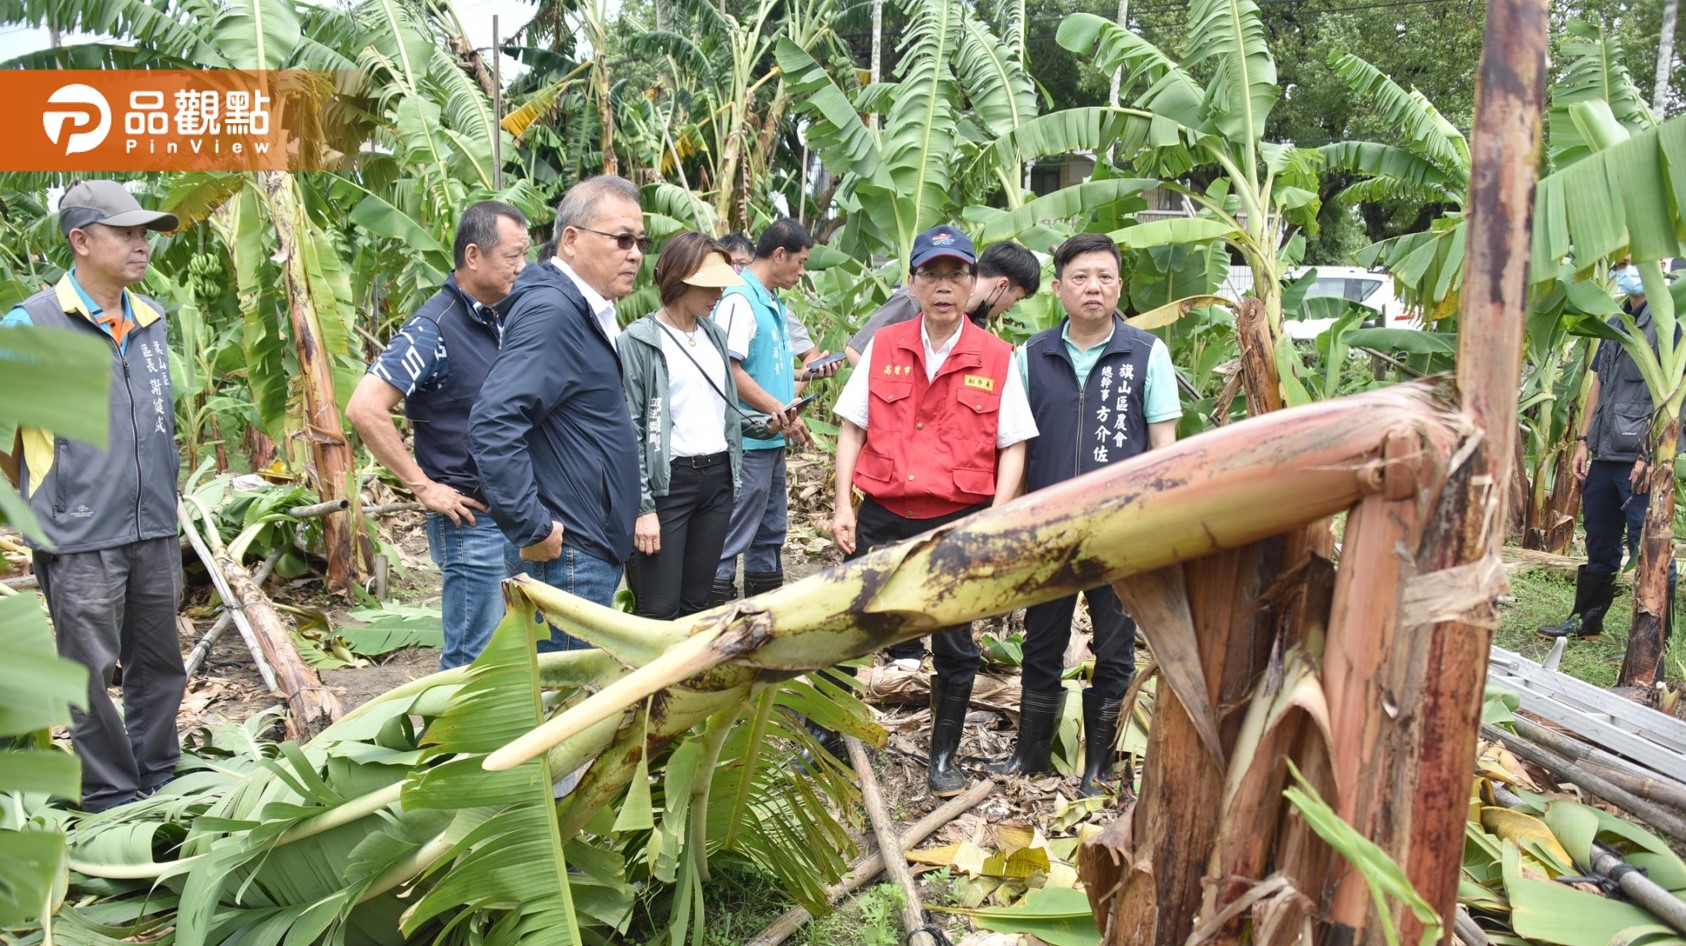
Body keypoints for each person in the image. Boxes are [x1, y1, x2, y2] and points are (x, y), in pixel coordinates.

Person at [830, 224, 1038, 796]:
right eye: (932, 274)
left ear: (972, 282)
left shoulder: (996, 356)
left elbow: (1013, 443)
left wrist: (994, 518)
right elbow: (852, 427)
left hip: (956, 517)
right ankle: (827, 742)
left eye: (955, 275)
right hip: (882, 512)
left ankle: (941, 756)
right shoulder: (885, 345)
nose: (944, 286)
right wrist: (841, 503)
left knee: (954, 640)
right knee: (849, 624)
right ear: (913, 282)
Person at [0, 181, 185, 811]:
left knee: (159, 663)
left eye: (144, 234)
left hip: (153, 524)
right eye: (126, 234)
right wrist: (47, 495)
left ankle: (159, 770)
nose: (141, 246)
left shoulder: (151, 319)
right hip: (79, 534)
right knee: (88, 674)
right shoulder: (33, 324)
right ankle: (109, 791)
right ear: (80, 240)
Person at [987, 231, 1181, 797]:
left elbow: (1165, 451)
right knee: (1041, 641)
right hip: (1047, 528)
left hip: (1119, 531)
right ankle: (1031, 757)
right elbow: (1015, 448)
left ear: (1120, 286)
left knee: (1115, 648)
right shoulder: (1030, 355)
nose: (1092, 287)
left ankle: (1101, 764)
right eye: (1080, 277)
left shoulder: (1148, 354)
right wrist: (1009, 521)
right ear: (1059, 288)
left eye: (1104, 277)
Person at [347, 201, 529, 669]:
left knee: (508, 657)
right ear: (473, 255)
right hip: (472, 522)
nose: (521, 267)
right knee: (472, 660)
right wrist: (423, 486)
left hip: (515, 514)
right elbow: (365, 408)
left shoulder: (504, 317)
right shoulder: (434, 328)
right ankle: (453, 744)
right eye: (512, 256)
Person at [470, 176, 646, 645]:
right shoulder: (555, 312)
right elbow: (494, 421)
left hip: (584, 546)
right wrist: (533, 527)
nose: (635, 253)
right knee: (565, 707)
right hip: (568, 556)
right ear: (571, 240)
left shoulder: (579, 308)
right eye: (622, 239)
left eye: (640, 242)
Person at [619, 233, 770, 618]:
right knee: (658, 607)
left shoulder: (714, 335)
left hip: (717, 480)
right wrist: (643, 507)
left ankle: (686, 681)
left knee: (698, 605)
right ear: (680, 279)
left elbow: (723, 411)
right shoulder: (639, 340)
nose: (718, 292)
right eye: (709, 284)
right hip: (670, 484)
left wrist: (768, 425)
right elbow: (632, 429)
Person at [1540, 263, 1677, 642]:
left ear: (1659, 267)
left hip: (1639, 459)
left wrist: (1651, 458)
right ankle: (1586, 621)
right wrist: (1583, 440)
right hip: (1603, 453)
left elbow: (1674, 398)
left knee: (1646, 541)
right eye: (1621, 265)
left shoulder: (1668, 327)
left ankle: (1662, 634)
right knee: (1599, 538)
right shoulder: (1617, 322)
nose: (1627, 271)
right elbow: (1598, 384)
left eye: (1634, 263)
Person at [708, 219, 838, 605]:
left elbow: (766, 367)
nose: (801, 272)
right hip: (746, 442)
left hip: (770, 441)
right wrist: (781, 410)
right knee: (733, 535)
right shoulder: (739, 299)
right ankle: (713, 620)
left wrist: (801, 386)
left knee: (769, 532)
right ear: (779, 254)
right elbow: (729, 370)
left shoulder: (772, 303)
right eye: (799, 263)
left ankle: (764, 618)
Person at [844, 240, 1041, 365]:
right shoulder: (914, 301)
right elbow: (856, 351)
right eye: (1015, 299)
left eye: (956, 275)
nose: (1010, 308)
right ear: (1001, 285)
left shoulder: (976, 322)